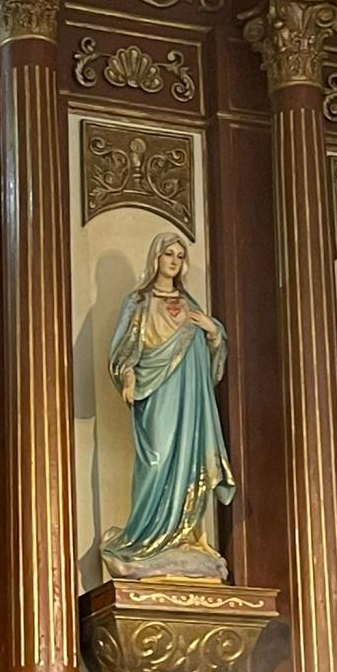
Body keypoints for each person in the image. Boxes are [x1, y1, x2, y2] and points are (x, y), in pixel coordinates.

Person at [102, 232, 235, 579]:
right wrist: (129, 377)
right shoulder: (138, 302)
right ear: (155, 258)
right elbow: (123, 349)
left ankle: (183, 535)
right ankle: (146, 536)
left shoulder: (191, 304)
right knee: (157, 459)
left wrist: (213, 331)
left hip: (190, 400)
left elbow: (213, 358)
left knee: (189, 462)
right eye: (168, 254)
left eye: (179, 255)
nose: (174, 261)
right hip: (156, 394)